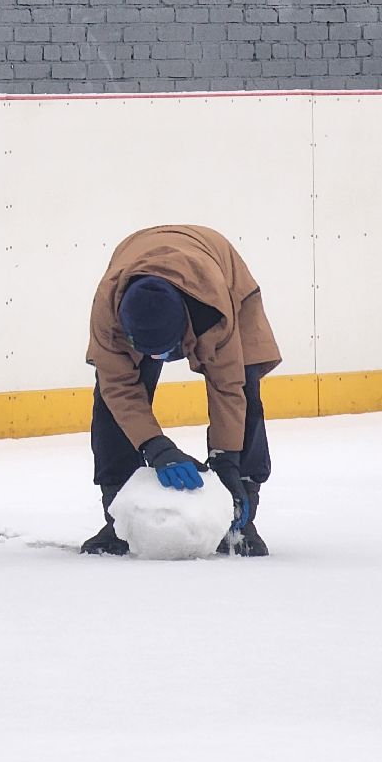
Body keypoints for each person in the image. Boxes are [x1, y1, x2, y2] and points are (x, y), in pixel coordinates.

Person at [80, 225, 280, 557]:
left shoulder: (212, 311)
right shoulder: (108, 312)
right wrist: (157, 448)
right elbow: (119, 387)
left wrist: (227, 462)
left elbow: (227, 387)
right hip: (135, 259)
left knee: (246, 386)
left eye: (167, 351)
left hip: (221, 272)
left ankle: (241, 515)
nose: (160, 360)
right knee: (108, 401)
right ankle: (119, 517)